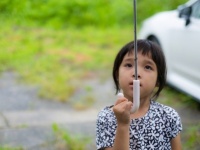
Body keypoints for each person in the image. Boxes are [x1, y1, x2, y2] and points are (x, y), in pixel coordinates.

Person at [96, 39, 182, 150]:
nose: (136, 73)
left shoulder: (169, 116)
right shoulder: (107, 118)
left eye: (147, 67)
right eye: (128, 65)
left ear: (158, 80)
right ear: (117, 74)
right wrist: (122, 124)